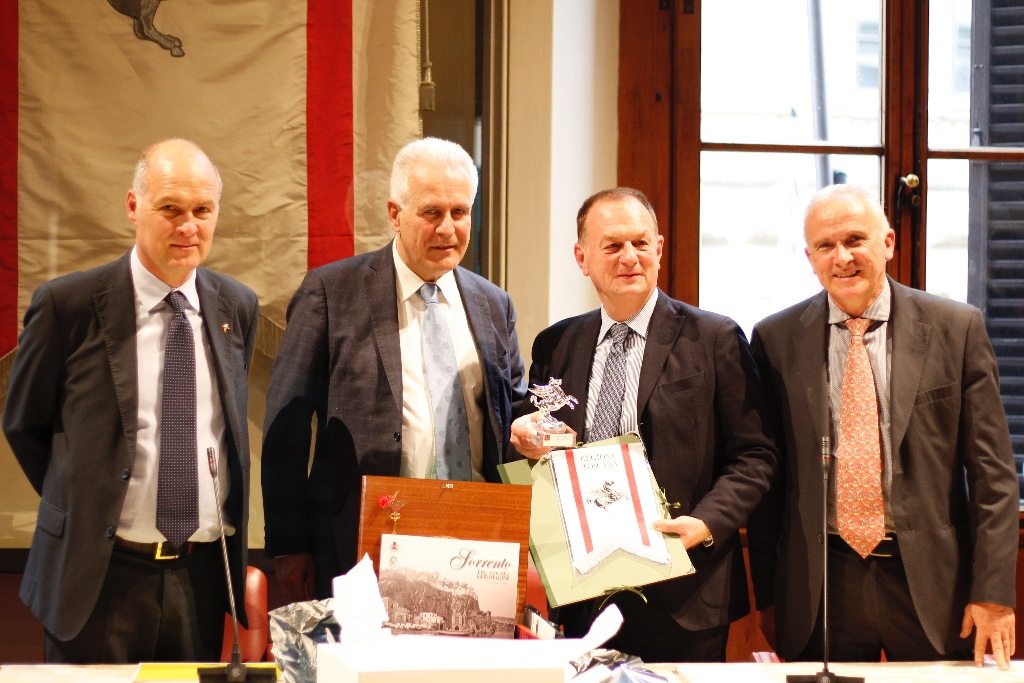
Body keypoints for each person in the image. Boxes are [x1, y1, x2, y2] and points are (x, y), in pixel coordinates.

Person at [3, 138, 260, 663]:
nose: (188, 226)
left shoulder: (237, 305)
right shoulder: (68, 305)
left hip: (199, 577)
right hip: (99, 576)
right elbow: (24, 424)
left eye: (202, 210)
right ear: (133, 206)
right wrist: (84, 497)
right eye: (170, 209)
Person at [747, 184, 1018, 669]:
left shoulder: (956, 328)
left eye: (856, 239)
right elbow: (769, 480)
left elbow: (993, 476)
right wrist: (769, 596)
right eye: (826, 246)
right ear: (810, 258)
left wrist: (994, 593)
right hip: (822, 584)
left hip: (931, 584)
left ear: (888, 243)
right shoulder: (775, 338)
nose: (842, 257)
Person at [510, 187, 777, 663]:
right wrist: (526, 442)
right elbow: (540, 448)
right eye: (613, 245)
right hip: (583, 591)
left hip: (685, 590)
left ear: (659, 248)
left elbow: (755, 455)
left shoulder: (713, 337)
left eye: (640, 243)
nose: (629, 257)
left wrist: (707, 523)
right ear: (582, 258)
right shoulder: (555, 344)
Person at [262, 137, 527, 601]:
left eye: (460, 212)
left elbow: (512, 414)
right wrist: (288, 547)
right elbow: (287, 431)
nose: (448, 229)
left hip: (476, 547)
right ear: (394, 213)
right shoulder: (331, 292)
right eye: (431, 213)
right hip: (359, 545)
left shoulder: (493, 304)